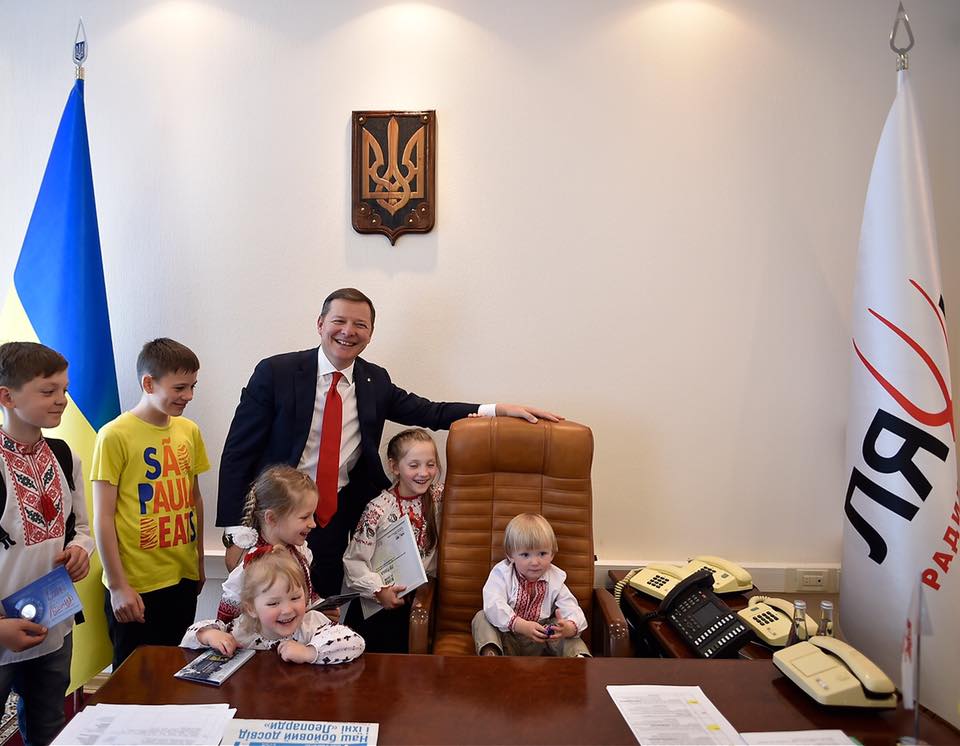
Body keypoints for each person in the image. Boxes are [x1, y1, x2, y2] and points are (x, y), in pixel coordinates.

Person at [217, 287, 560, 596]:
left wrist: (496, 410)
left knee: (322, 601)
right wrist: (235, 532)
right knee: (265, 599)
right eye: (339, 321)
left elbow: (430, 411)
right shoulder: (275, 373)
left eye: (360, 325)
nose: (348, 331)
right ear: (320, 324)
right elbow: (238, 452)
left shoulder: (374, 380)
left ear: (370, 334)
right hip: (276, 514)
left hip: (335, 514)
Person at [91, 338, 210, 670]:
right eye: (180, 387)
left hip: (182, 577)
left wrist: (199, 563)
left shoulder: (189, 430)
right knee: (133, 677)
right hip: (137, 584)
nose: (188, 396)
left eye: (193, 386)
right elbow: (103, 517)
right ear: (148, 383)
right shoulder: (114, 435)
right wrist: (118, 586)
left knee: (175, 669)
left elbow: (194, 499)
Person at [0, 342, 94, 746]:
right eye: (48, 391)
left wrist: (81, 551)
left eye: (64, 389)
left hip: (53, 623)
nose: (62, 400)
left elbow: (82, 527)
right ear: (7, 396)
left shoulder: (64, 454)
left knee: (50, 725)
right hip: (2, 632)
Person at [342, 428, 441, 653]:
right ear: (394, 467)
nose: (424, 472)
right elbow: (353, 562)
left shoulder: (439, 498)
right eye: (414, 465)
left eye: (431, 464)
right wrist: (379, 590)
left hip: (420, 600)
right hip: (381, 605)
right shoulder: (377, 509)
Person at [182, 547, 364, 665]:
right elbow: (188, 638)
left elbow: (355, 643)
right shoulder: (242, 629)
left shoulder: (311, 624)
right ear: (251, 608)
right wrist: (208, 635)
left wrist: (309, 652)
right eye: (273, 603)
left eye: (295, 598)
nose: (287, 610)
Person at [472, 513, 590, 657]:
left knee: (561, 628)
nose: (535, 562)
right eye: (525, 555)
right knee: (482, 617)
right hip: (508, 636)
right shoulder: (502, 574)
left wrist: (569, 627)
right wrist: (519, 625)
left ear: (552, 554)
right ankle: (492, 655)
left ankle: (578, 658)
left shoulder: (555, 579)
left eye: (542, 553)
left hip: (542, 638)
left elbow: (571, 607)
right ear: (511, 555)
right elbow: (493, 603)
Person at [217, 465, 319, 623]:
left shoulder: (300, 551)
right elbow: (226, 617)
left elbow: (304, 591)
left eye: (313, 515)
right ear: (271, 518)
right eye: (305, 517)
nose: (313, 524)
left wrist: (319, 606)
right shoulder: (253, 563)